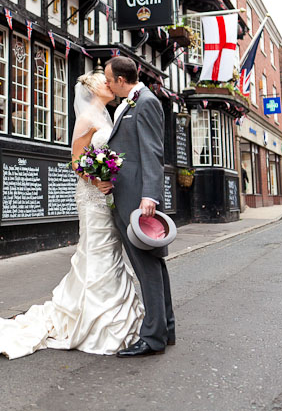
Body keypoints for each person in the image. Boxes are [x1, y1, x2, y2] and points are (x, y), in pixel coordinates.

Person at [0, 71, 143, 358]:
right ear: (92, 89)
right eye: (104, 81)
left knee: (111, 253)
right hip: (91, 196)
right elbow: (75, 161)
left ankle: (110, 317)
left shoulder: (107, 116)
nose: (109, 84)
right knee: (95, 251)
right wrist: (96, 180)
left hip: (108, 197)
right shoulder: (87, 119)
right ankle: (93, 320)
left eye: (110, 80)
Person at [105, 56, 175, 357]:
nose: (107, 85)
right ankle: (165, 328)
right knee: (154, 265)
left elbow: (153, 151)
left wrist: (150, 196)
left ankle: (152, 338)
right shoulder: (131, 103)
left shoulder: (145, 102)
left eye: (109, 80)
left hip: (137, 198)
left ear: (122, 80)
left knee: (147, 267)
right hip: (127, 194)